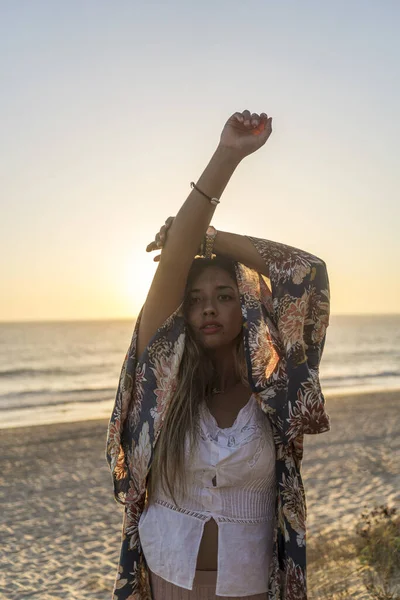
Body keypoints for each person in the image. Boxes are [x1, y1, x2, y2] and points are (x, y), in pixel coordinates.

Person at [106, 109, 331, 600]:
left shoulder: (274, 392)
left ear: (247, 304)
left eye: (225, 295)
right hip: (167, 575)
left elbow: (307, 273)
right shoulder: (161, 380)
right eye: (195, 298)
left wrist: (213, 239)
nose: (208, 308)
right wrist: (226, 155)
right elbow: (176, 256)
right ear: (181, 312)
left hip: (247, 586)